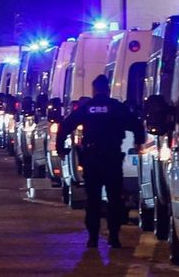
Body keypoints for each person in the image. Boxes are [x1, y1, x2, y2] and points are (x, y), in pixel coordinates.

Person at [56, 75, 145, 248]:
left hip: (92, 159)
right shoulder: (116, 107)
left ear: (94, 90)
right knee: (114, 199)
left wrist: (61, 148)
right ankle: (114, 236)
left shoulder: (87, 108)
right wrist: (139, 141)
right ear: (108, 89)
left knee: (93, 200)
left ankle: (93, 238)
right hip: (112, 159)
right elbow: (136, 124)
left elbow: (66, 126)